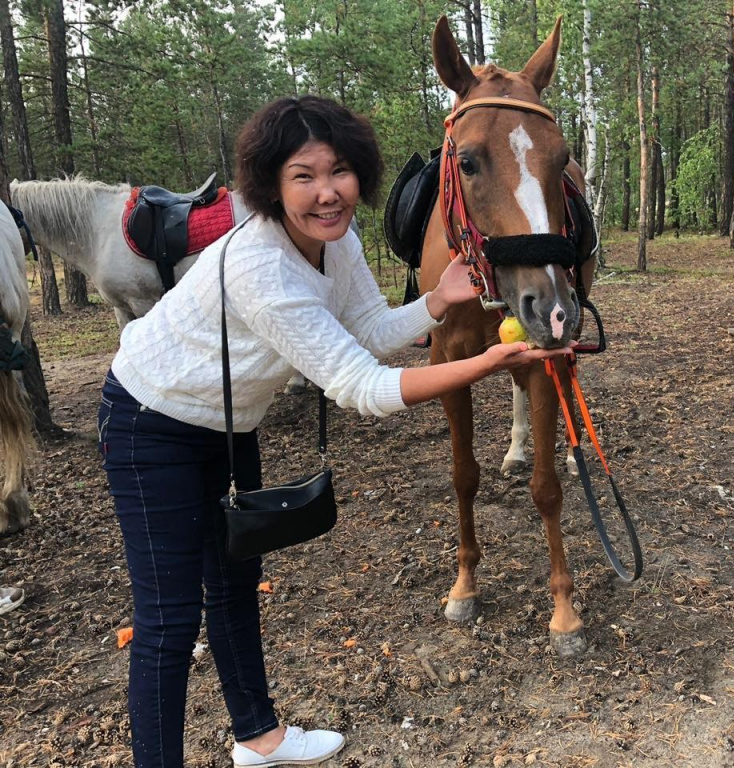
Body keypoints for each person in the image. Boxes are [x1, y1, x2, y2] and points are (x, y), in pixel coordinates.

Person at [98, 95, 570, 768]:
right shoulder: (262, 266)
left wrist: (437, 301)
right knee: (171, 621)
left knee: (233, 586)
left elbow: (368, 329)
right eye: (304, 175)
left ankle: (258, 737)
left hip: (227, 426)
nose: (328, 192)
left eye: (340, 171)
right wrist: (484, 360)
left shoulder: (334, 240)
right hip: (151, 424)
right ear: (270, 184)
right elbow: (361, 387)